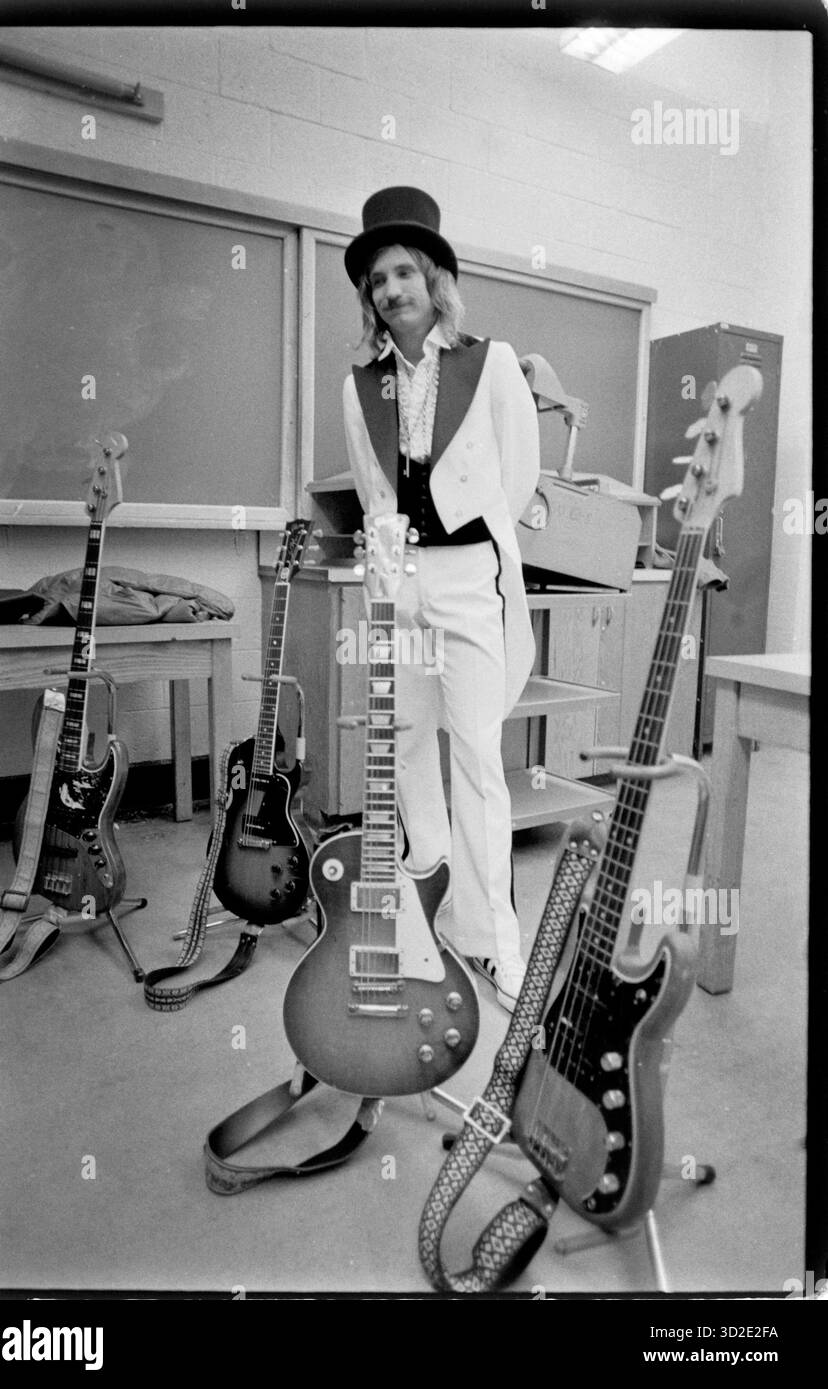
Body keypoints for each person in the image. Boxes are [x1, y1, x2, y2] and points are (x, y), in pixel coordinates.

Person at [341, 186, 541, 1010]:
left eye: (402, 273)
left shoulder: (488, 361)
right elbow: (371, 495)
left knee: (478, 757)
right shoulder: (361, 384)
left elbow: (519, 473)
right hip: (401, 580)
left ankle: (491, 937)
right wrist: (388, 593)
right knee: (409, 744)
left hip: (470, 577)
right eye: (377, 282)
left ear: (432, 276)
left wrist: (467, 550)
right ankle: (428, 909)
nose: (391, 291)